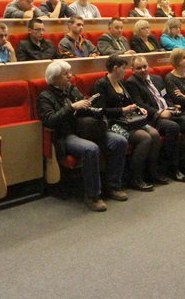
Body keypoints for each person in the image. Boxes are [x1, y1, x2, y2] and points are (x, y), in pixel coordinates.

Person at [38, 60, 128, 211]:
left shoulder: (72, 89)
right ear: (54, 77)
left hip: (87, 130)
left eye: (69, 72)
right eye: (65, 74)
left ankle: (113, 186)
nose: (69, 76)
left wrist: (92, 108)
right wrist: (72, 107)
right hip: (66, 135)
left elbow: (85, 110)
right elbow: (50, 121)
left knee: (119, 141)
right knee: (90, 149)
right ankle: (93, 196)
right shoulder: (45, 97)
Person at [93, 54, 164, 191]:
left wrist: (138, 109)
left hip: (129, 119)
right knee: (145, 138)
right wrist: (122, 110)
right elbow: (101, 110)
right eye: (123, 68)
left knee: (154, 134)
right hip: (113, 123)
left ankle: (151, 172)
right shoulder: (102, 84)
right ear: (115, 68)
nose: (125, 71)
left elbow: (129, 102)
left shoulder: (121, 82)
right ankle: (135, 177)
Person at [124, 56, 185, 182]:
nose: (143, 70)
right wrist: (159, 113)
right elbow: (140, 104)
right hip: (153, 117)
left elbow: (166, 96)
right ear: (132, 70)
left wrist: (172, 107)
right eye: (139, 68)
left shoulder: (157, 79)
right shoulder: (131, 83)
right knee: (172, 127)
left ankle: (184, 163)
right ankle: (172, 168)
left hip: (169, 112)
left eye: (145, 66)